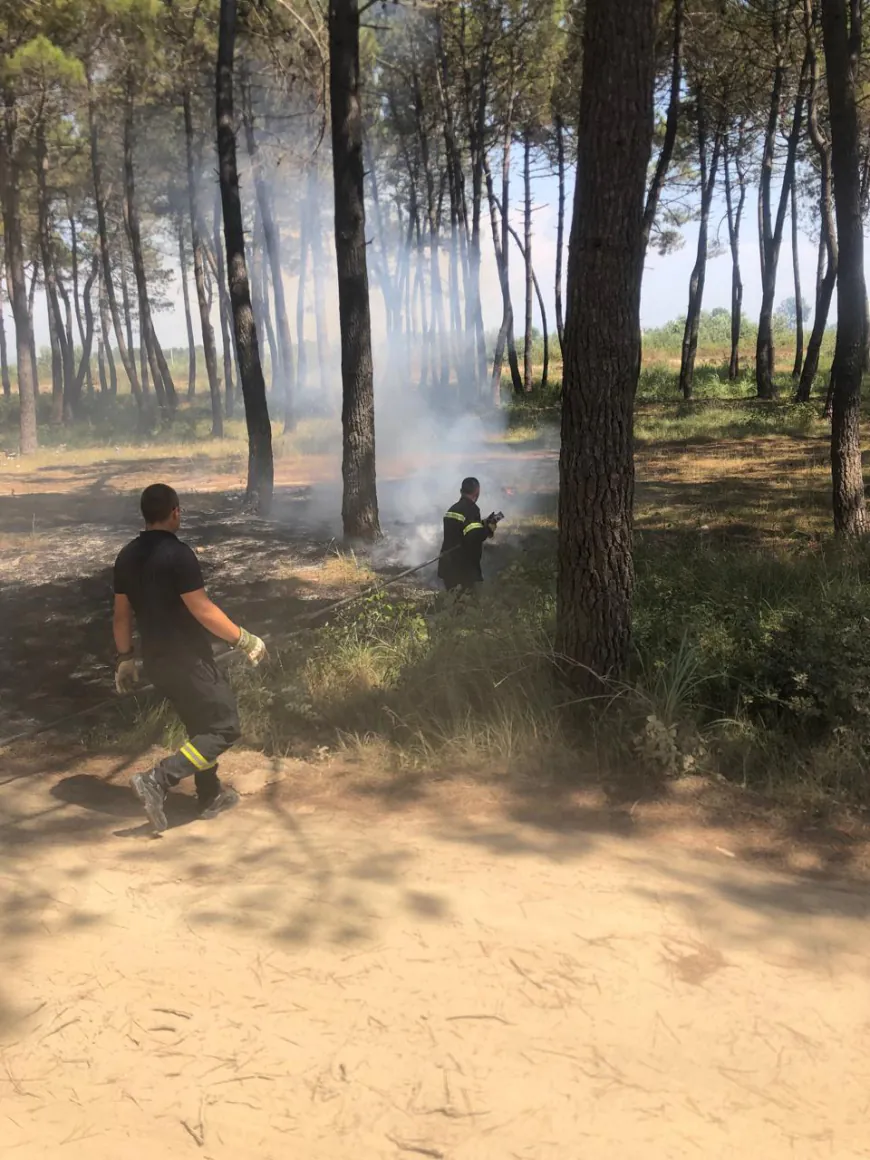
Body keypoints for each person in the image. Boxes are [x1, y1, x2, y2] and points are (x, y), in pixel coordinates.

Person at [112, 483, 267, 833]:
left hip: (156, 661)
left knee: (201, 725)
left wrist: (124, 658)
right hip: (188, 660)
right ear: (175, 512)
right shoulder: (178, 554)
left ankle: (209, 794)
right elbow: (202, 609)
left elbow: (121, 616)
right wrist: (243, 639)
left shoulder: (126, 556)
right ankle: (158, 779)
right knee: (225, 726)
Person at [437, 476, 498, 593]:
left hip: (447, 565)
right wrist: (488, 529)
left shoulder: (452, 509)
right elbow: (473, 537)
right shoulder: (472, 509)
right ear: (477, 492)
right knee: (466, 604)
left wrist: (481, 524)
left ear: (461, 491)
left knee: (452, 602)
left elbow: (462, 530)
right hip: (463, 568)